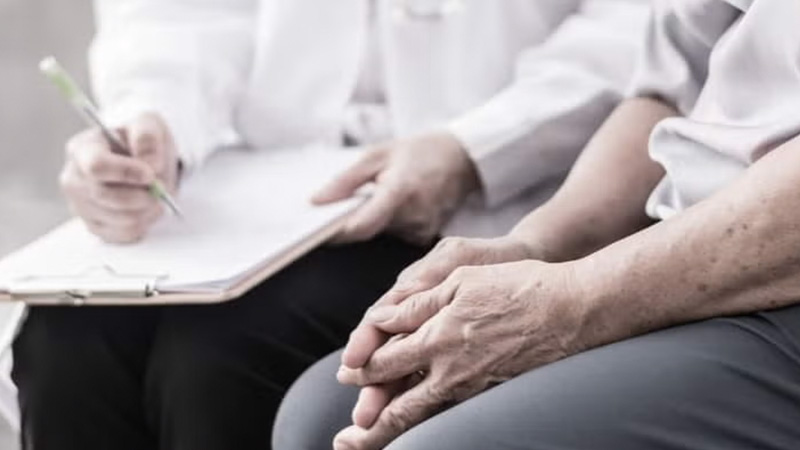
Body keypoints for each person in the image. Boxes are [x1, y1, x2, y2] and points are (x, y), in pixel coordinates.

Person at [10, 1, 651, 449]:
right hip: (255, 183)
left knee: (223, 355)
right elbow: (179, 14)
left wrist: (475, 146)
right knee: (66, 337)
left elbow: (643, 29)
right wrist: (155, 116)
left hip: (509, 181)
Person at [273, 0, 800, 449]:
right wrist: (541, 245)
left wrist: (575, 300)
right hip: (686, 238)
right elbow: (673, 88)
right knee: (322, 417)